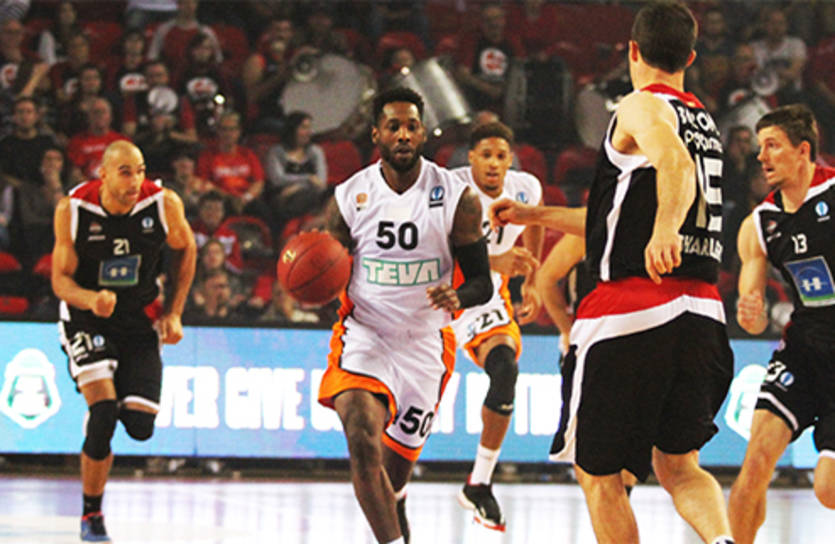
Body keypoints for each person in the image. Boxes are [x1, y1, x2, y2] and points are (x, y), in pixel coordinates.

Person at [491, 3, 735, 543]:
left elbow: (674, 166)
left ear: (632, 50)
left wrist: (666, 229)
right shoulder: (704, 122)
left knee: (598, 475)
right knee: (680, 466)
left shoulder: (641, 106)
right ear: (690, 57)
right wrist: (534, 215)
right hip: (701, 313)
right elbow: (614, 218)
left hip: (630, 311)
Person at [317, 87, 492, 544]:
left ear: (423, 133)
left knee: (392, 481)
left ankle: (396, 507)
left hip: (425, 344)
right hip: (366, 334)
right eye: (393, 126)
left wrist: (459, 296)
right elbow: (325, 267)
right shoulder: (349, 196)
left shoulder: (456, 197)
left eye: (411, 126)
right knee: (362, 440)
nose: (403, 135)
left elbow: (482, 282)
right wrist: (313, 283)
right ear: (376, 134)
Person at [50, 140, 196, 542]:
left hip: (139, 320)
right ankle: (91, 515)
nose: (136, 181)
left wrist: (175, 312)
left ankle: (111, 406)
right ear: (104, 175)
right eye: (126, 172)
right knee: (103, 415)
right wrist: (89, 299)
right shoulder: (73, 209)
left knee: (140, 427)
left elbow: (188, 249)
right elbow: (60, 280)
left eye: (141, 170)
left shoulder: (163, 204)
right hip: (86, 318)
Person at [727, 104, 835, 543]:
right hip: (803, 350)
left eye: (772, 145)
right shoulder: (759, 224)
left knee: (828, 490)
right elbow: (752, 317)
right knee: (755, 459)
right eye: (760, 146)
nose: (762, 156)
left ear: (803, 150)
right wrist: (749, 314)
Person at [448, 121, 543, 531]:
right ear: (470, 158)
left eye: (500, 156)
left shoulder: (525, 188)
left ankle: (480, 482)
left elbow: (535, 221)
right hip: (439, 289)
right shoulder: (451, 189)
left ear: (510, 160)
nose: (492, 163)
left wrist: (532, 279)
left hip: (486, 296)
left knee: (505, 369)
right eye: (485, 155)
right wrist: (494, 261)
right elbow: (436, 249)